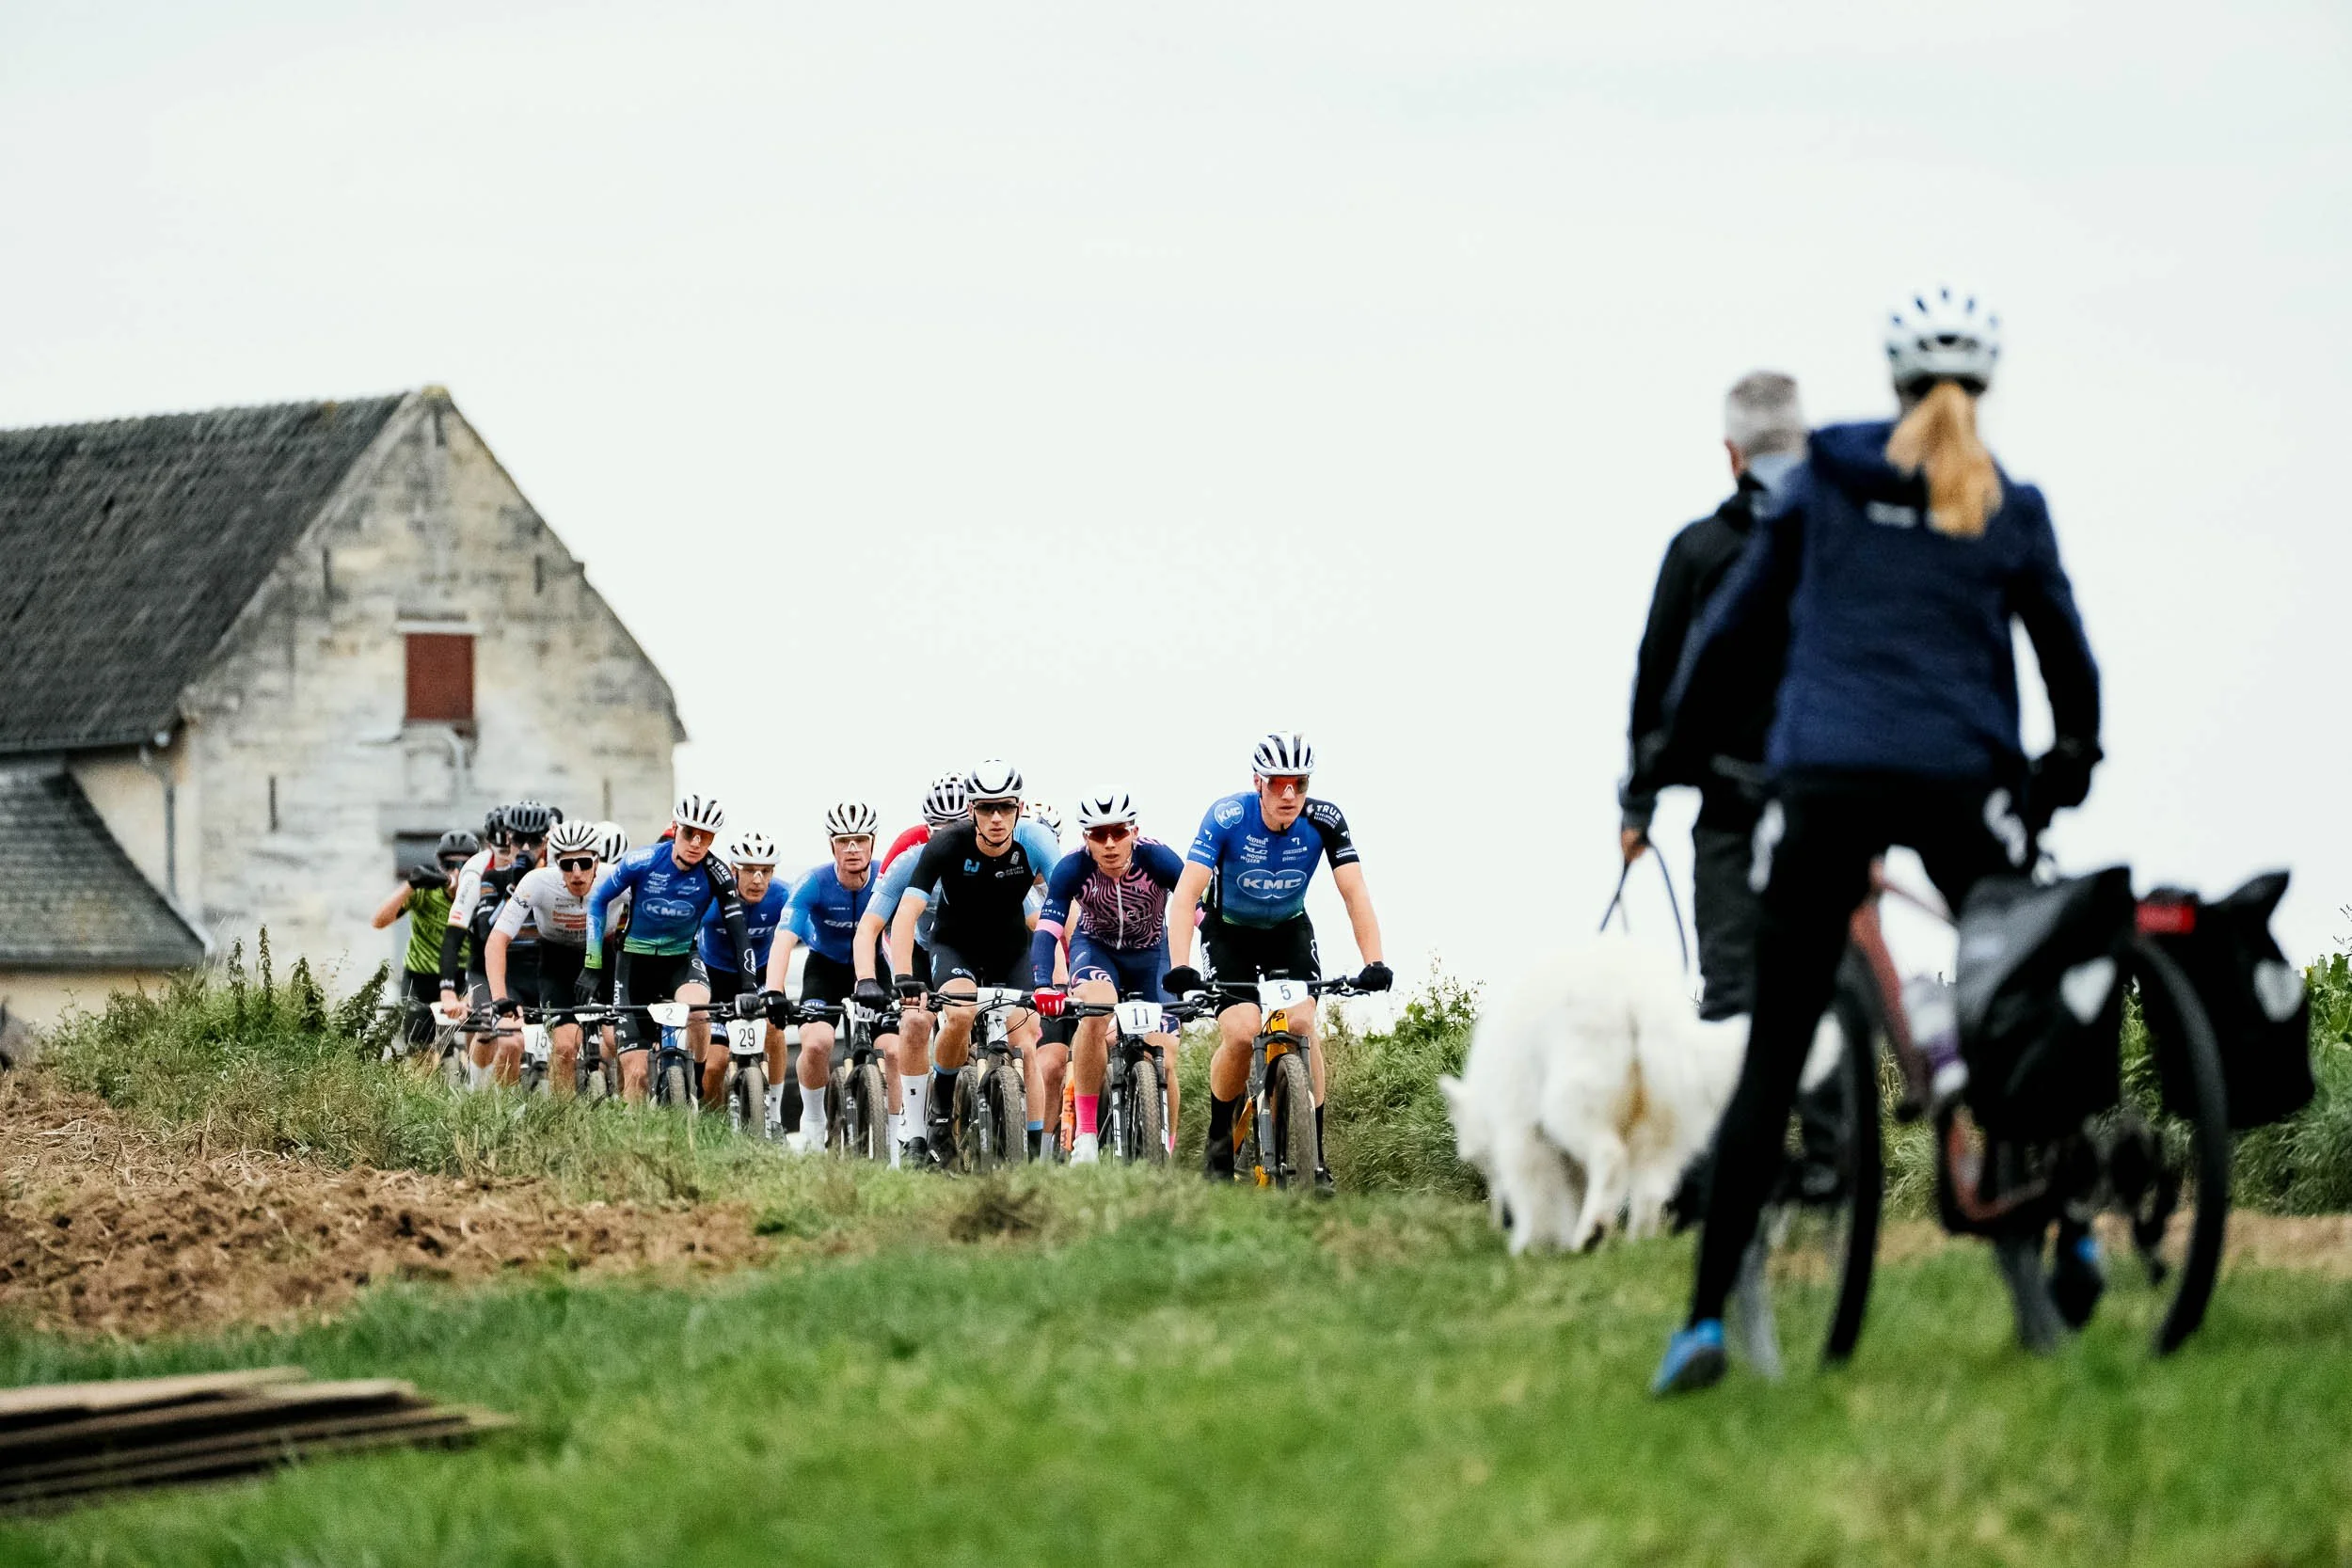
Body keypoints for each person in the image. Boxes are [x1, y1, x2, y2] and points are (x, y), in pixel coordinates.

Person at [1648, 286, 2102, 1395]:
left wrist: (1668, 749)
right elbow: (2065, 656)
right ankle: (2072, 1219)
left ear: (1891, 379)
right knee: (2019, 992)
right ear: (1983, 389)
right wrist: (2071, 758)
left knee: (1770, 1057)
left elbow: (1733, 629)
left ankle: (1703, 1323)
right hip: (1962, 778)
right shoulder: (2005, 500)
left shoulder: (1827, 481)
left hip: (1824, 779)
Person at [1620, 371, 1807, 1020]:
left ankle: (1745, 1117)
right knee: (1824, 986)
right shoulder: (1840, 544)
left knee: (1731, 995)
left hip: (1731, 803)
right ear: (1804, 442)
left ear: (1732, 452)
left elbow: (1654, 679)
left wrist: (1639, 804)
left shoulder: (1698, 550)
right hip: (1832, 800)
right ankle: (1838, 1115)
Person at [1164, 733, 1391, 1187]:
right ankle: (1218, 1142)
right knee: (1243, 1031)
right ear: (1258, 783)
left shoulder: (1325, 819)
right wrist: (1180, 965)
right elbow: (1187, 892)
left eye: (1299, 784)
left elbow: (1354, 891)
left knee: (1304, 1024)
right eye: (1277, 783)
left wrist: (1375, 961)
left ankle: (1316, 1155)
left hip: (1288, 930)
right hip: (1229, 932)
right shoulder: (1227, 816)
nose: (1289, 794)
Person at [868, 759, 1052, 1165]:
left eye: (1005, 807)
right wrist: (901, 976)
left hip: (1010, 950)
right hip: (954, 945)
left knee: (1028, 1041)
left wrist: (1063, 975)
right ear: (973, 812)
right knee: (960, 1013)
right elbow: (905, 915)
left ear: (1019, 808)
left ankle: (1037, 1150)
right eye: (987, 808)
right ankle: (938, 1114)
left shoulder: (1034, 841)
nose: (997, 817)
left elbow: (1058, 912)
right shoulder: (945, 845)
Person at [1027, 790, 1186, 1164]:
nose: (1110, 844)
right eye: (1099, 835)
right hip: (1097, 948)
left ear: (1134, 830)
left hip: (1153, 954)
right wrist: (1042, 985)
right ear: (1086, 839)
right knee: (1095, 1012)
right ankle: (1084, 1136)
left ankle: (1166, 1149)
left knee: (1165, 1056)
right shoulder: (1071, 868)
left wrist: (1199, 972)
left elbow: (1197, 917)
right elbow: (1047, 933)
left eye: (1118, 832)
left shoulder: (1159, 859)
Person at [580, 793, 758, 1104]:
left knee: (699, 1013)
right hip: (634, 965)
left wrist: (748, 986)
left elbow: (737, 927)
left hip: (681, 961)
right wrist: (592, 965)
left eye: (705, 837)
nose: (696, 843)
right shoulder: (643, 860)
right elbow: (597, 900)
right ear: (676, 829)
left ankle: (698, 1077)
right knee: (636, 1075)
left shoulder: (716, 872)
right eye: (689, 833)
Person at [764, 802, 898, 1151]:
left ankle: (899, 1132)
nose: (852, 849)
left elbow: (909, 931)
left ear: (872, 843)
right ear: (832, 846)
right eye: (843, 841)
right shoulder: (814, 882)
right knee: (817, 1042)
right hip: (824, 967)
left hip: (872, 969)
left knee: (894, 1050)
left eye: (859, 840)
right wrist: (774, 990)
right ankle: (812, 1120)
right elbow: (784, 938)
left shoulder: (888, 877)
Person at [855, 776, 973, 1163]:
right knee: (917, 1021)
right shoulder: (909, 857)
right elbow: (873, 926)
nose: (950, 837)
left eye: (959, 827)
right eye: (941, 829)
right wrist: (869, 979)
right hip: (918, 946)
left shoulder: (990, 858)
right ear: (928, 829)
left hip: (968, 949)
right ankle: (915, 1133)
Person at [485, 817, 603, 1093]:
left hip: (602, 959)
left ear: (597, 861)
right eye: (566, 865)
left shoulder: (615, 877)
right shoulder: (537, 882)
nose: (577, 874)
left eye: (585, 863)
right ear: (554, 864)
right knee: (564, 1047)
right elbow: (496, 940)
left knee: (614, 1042)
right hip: (556, 962)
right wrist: (499, 998)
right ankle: (562, 1123)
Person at [692, 830, 790, 1120]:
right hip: (716, 980)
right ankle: (714, 1126)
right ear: (733, 869)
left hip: (759, 977)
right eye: (749, 870)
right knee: (714, 1065)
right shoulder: (712, 898)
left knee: (775, 1028)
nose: (757, 879)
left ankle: (774, 1116)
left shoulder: (782, 896)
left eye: (765, 871)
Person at [370, 829, 477, 1053]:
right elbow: (379, 921)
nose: (456, 873)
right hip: (420, 977)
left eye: (463, 866)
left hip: (460, 976)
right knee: (421, 1050)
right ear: (440, 866)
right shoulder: (427, 891)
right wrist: (411, 885)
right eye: (449, 866)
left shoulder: (480, 895)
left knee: (476, 1041)